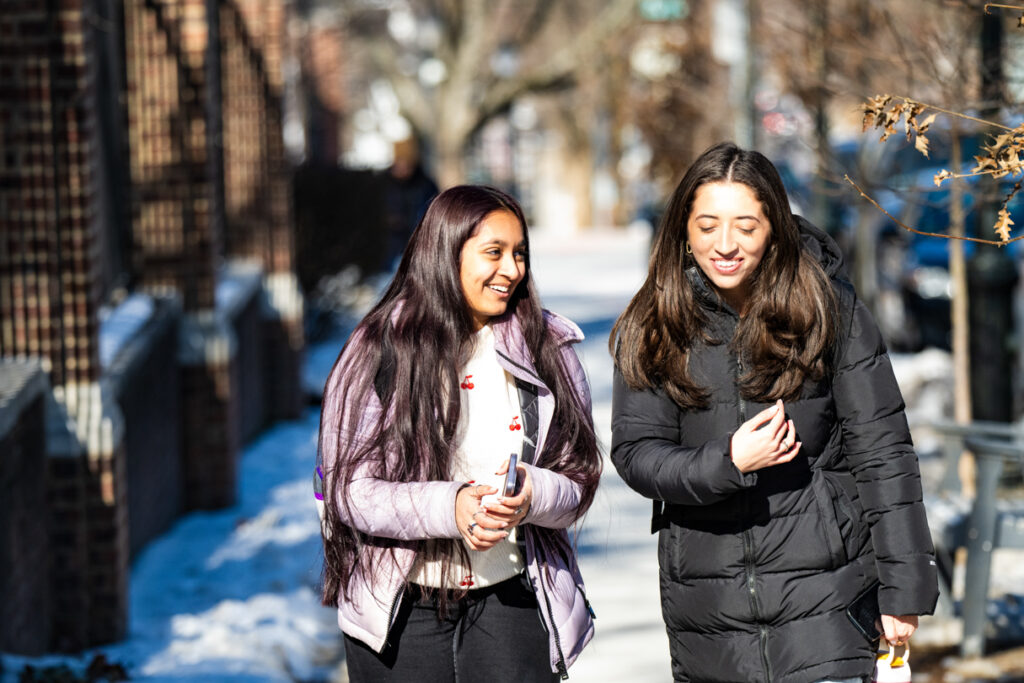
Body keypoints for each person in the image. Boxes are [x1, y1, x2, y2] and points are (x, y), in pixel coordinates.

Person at [609, 142, 938, 683]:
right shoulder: (654, 323)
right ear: (683, 232)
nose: (726, 245)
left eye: (746, 225)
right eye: (708, 225)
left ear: (775, 228)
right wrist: (728, 460)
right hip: (709, 612)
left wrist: (904, 587)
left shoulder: (828, 308)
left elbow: (883, 451)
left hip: (829, 600)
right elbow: (638, 455)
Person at [316, 185, 601, 681]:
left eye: (520, 254)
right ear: (445, 251)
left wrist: (533, 494)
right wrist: (452, 507)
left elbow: (579, 481)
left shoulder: (548, 349)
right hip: (401, 609)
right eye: (494, 253)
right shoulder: (377, 351)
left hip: (514, 597)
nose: (512, 270)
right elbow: (348, 490)